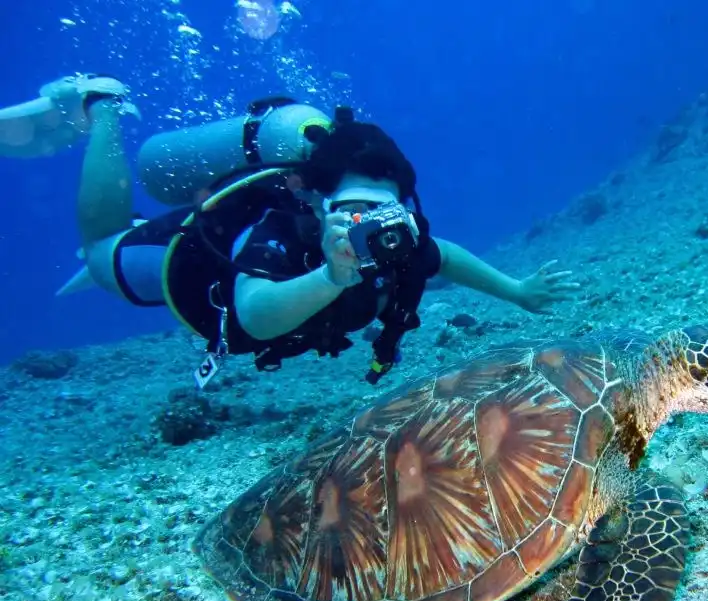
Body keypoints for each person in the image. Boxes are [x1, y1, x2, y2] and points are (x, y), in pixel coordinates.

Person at [0, 75, 579, 385]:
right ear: (312, 197)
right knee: (100, 255)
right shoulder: (282, 226)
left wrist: (518, 291)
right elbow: (253, 314)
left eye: (386, 210)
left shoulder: (395, 239)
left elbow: (443, 255)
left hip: (263, 266)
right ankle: (101, 107)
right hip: (190, 263)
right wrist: (330, 277)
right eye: (352, 209)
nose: (369, 226)